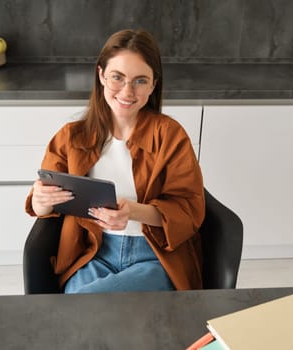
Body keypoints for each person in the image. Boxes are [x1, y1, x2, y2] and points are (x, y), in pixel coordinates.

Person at [25, 29, 205, 293]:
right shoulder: (70, 137)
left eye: (140, 81)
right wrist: (40, 202)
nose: (127, 91)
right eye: (117, 77)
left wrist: (132, 212)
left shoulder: (169, 135)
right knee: (78, 302)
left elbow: (190, 210)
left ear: (154, 84)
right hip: (91, 251)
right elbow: (44, 208)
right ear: (101, 76)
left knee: (85, 303)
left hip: (155, 255)